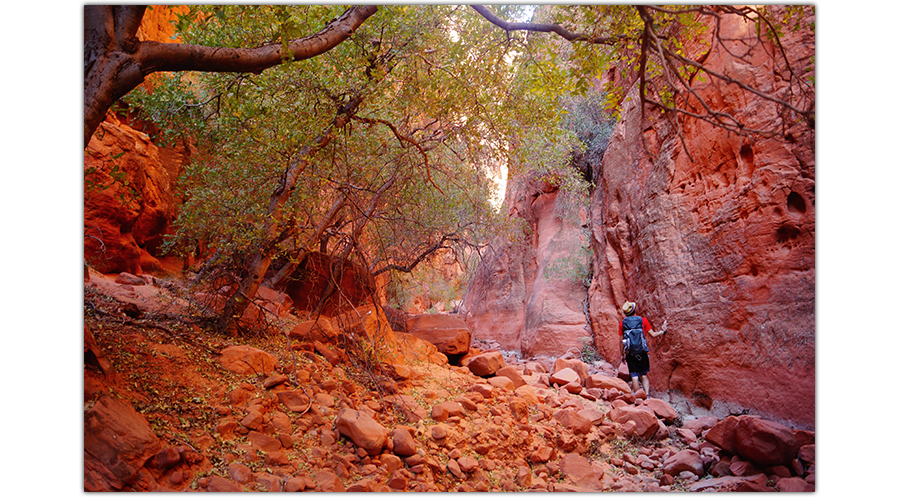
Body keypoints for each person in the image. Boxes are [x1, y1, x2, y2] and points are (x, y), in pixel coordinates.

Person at [619, 301, 667, 396]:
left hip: (630, 352)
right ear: (634, 310)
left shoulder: (622, 323)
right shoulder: (643, 320)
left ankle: (638, 397)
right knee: (643, 374)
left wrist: (622, 354)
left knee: (634, 376)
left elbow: (621, 341)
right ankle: (647, 394)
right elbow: (652, 334)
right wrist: (662, 331)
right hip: (642, 351)